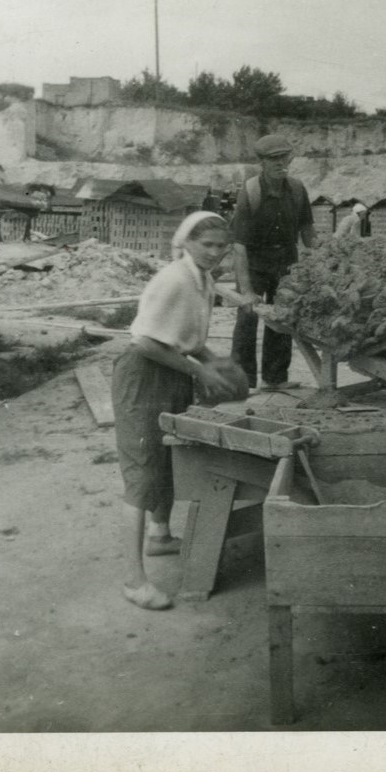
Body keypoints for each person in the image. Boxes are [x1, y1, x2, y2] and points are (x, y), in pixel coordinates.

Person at [113, 212, 241, 611]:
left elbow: (185, 339)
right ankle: (134, 581)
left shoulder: (203, 279)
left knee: (169, 458)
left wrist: (216, 361)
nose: (215, 253)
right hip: (144, 374)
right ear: (187, 242)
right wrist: (200, 369)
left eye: (222, 247)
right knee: (143, 469)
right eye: (208, 245)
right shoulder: (174, 278)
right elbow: (148, 342)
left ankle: (160, 535)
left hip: (170, 372)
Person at [230, 133, 318, 391]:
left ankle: (275, 378)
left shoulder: (298, 189)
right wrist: (246, 290)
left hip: (287, 263)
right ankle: (242, 381)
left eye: (284, 158)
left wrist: (323, 257)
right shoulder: (250, 191)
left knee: (282, 320)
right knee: (247, 319)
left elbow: (308, 231)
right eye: (274, 160)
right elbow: (239, 245)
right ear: (262, 163)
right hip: (255, 263)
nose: (281, 164)